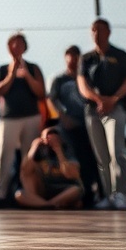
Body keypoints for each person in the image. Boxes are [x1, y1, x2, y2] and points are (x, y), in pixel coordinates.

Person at [77, 18, 126, 209]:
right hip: (92, 111)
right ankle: (107, 195)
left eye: (100, 30)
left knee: (116, 152)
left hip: (115, 109)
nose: (96, 34)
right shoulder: (86, 58)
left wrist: (113, 99)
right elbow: (82, 85)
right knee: (101, 157)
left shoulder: (120, 55)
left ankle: (121, 194)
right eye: (93, 30)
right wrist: (98, 99)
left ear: (108, 32)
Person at [0, 32, 45, 207]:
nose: (15, 47)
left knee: (29, 156)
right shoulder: (2, 69)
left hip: (31, 117)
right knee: (4, 156)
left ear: (25, 47)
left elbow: (40, 92)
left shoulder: (33, 68)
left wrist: (26, 74)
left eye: (19, 44)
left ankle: (28, 192)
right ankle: (0, 193)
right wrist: (12, 73)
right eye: (12, 44)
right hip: (9, 118)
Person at [49, 45, 100, 208]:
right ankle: (78, 193)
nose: (72, 60)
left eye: (75, 56)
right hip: (69, 126)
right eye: (69, 56)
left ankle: (95, 194)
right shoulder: (59, 80)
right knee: (74, 159)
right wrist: (63, 117)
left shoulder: (86, 78)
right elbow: (52, 99)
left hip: (88, 123)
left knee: (91, 159)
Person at [13, 126, 84, 209]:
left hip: (64, 189)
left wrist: (58, 150)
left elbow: (71, 174)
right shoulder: (38, 151)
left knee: (76, 190)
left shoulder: (67, 151)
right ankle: (49, 204)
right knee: (19, 195)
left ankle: (43, 204)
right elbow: (25, 171)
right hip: (44, 189)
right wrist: (34, 147)